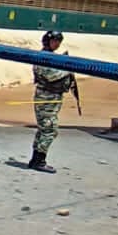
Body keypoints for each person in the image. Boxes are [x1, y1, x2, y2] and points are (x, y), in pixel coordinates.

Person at [27, 30, 74, 174]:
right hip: (46, 98)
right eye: (55, 41)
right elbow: (52, 76)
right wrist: (68, 66)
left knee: (44, 129)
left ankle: (36, 160)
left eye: (59, 41)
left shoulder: (50, 57)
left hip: (52, 98)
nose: (57, 44)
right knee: (49, 130)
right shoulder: (43, 58)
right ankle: (39, 161)